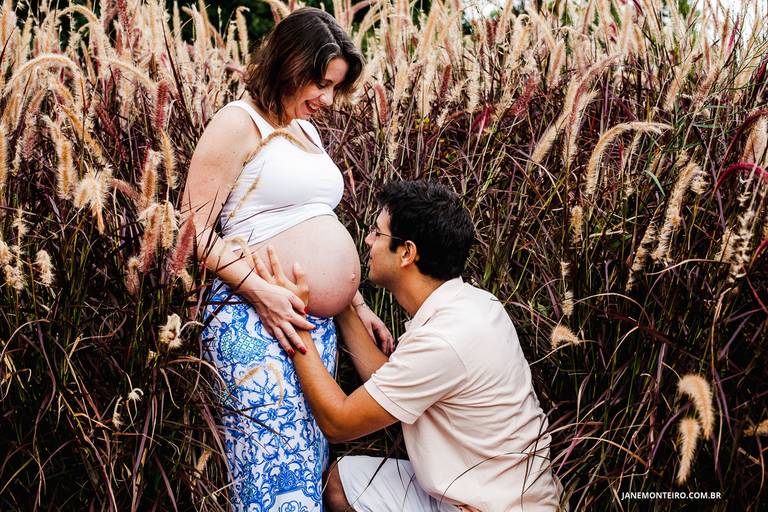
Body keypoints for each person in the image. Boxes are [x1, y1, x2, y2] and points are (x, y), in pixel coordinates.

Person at [181, 8, 393, 511]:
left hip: (309, 321)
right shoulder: (238, 123)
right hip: (255, 316)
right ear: (289, 65)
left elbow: (310, 215)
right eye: (320, 83)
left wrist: (355, 302)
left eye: (334, 87)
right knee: (269, 465)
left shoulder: (305, 129)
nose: (327, 99)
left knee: (304, 467)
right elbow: (191, 228)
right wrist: (261, 292)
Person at [253, 181, 562, 511]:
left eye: (377, 233)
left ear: (407, 253)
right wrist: (343, 305)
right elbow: (390, 381)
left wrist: (296, 321)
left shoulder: (445, 340)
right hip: (494, 487)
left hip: (493, 506)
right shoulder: (472, 304)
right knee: (341, 485)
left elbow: (338, 423)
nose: (368, 241)